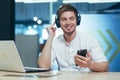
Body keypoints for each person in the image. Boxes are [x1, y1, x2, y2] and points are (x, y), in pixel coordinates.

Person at [38, 4, 108, 72]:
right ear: (58, 23)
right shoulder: (55, 42)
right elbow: (43, 66)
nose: (68, 22)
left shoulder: (89, 39)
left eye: (71, 18)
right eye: (64, 19)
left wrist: (90, 64)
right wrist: (50, 37)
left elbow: (104, 66)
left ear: (77, 20)